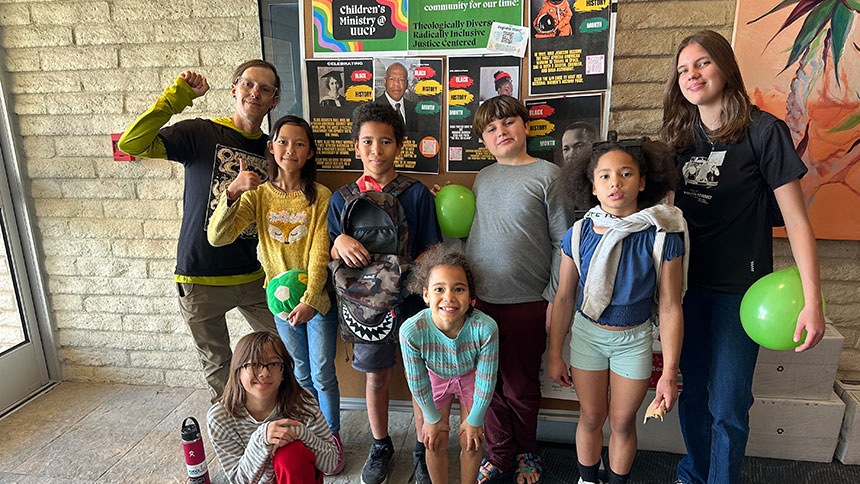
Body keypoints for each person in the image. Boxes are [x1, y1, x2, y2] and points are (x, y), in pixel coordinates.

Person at [660, 30, 825, 484]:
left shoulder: (764, 131)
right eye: (683, 69)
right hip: (688, 289)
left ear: (725, 68)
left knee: (728, 403)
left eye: (702, 64)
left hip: (742, 291)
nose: (691, 75)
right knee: (692, 393)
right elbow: (666, 217)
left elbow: (796, 222)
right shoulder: (678, 135)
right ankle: (693, 474)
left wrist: (814, 300)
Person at [117, 60, 281, 401]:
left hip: (255, 277)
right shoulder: (201, 133)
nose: (255, 93)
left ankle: (272, 422)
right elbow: (132, 144)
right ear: (234, 88)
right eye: (248, 84)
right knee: (218, 366)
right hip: (200, 276)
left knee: (283, 349)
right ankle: (234, 430)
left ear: (273, 101)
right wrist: (177, 97)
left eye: (265, 89)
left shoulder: (273, 150)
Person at [207, 115, 344, 474]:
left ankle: (331, 437)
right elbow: (218, 236)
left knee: (322, 371)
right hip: (279, 304)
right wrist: (233, 192)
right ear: (271, 147)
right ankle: (295, 434)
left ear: (310, 151)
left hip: (317, 302)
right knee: (297, 372)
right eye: (283, 142)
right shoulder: (259, 196)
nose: (290, 150)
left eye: (299, 143)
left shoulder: (321, 196)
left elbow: (318, 251)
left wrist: (312, 298)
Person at [548, 138, 687, 484]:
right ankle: (586, 479)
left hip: (634, 340)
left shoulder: (662, 235)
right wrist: (554, 352)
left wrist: (669, 370)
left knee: (623, 422)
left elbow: (670, 307)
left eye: (626, 174)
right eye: (605, 176)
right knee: (591, 416)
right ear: (592, 186)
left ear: (642, 182)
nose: (615, 183)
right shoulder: (578, 234)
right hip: (588, 337)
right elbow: (564, 297)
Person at [328, 102, 442, 484]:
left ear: (399, 146)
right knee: (375, 376)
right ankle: (381, 445)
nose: (376, 150)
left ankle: (422, 450)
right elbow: (328, 250)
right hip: (363, 308)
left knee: (419, 378)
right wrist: (340, 240)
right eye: (367, 142)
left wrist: (406, 275)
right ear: (356, 147)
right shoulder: (342, 198)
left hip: (410, 301)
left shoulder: (417, 194)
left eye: (385, 142)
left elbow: (432, 248)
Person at [467, 95, 569, 484]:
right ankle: (499, 454)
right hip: (479, 304)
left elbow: (563, 241)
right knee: (486, 385)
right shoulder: (483, 177)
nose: (501, 132)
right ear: (484, 141)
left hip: (528, 302)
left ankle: (528, 452)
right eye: (491, 129)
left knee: (520, 386)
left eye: (508, 123)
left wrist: (552, 297)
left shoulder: (548, 175)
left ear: (525, 126)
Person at [399, 244, 499, 484]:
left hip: (471, 377)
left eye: (459, 289)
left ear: (470, 296)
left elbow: (486, 380)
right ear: (425, 294)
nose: (449, 298)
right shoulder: (411, 331)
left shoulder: (485, 328)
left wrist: (475, 420)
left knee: (472, 442)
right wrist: (431, 419)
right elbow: (417, 380)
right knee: (433, 442)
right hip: (434, 379)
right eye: (439, 289)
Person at [207, 331, 338, 483]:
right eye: (254, 364)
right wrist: (262, 439)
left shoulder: (302, 401)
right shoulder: (219, 418)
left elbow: (332, 463)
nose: (264, 373)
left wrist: (300, 432)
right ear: (238, 371)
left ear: (283, 372)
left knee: (290, 454)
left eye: (274, 364)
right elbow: (239, 480)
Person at [374, 62, 416, 128]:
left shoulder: (413, 108)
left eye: (401, 79)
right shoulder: (373, 108)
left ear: (407, 83)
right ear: (385, 82)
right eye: (392, 79)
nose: (396, 84)